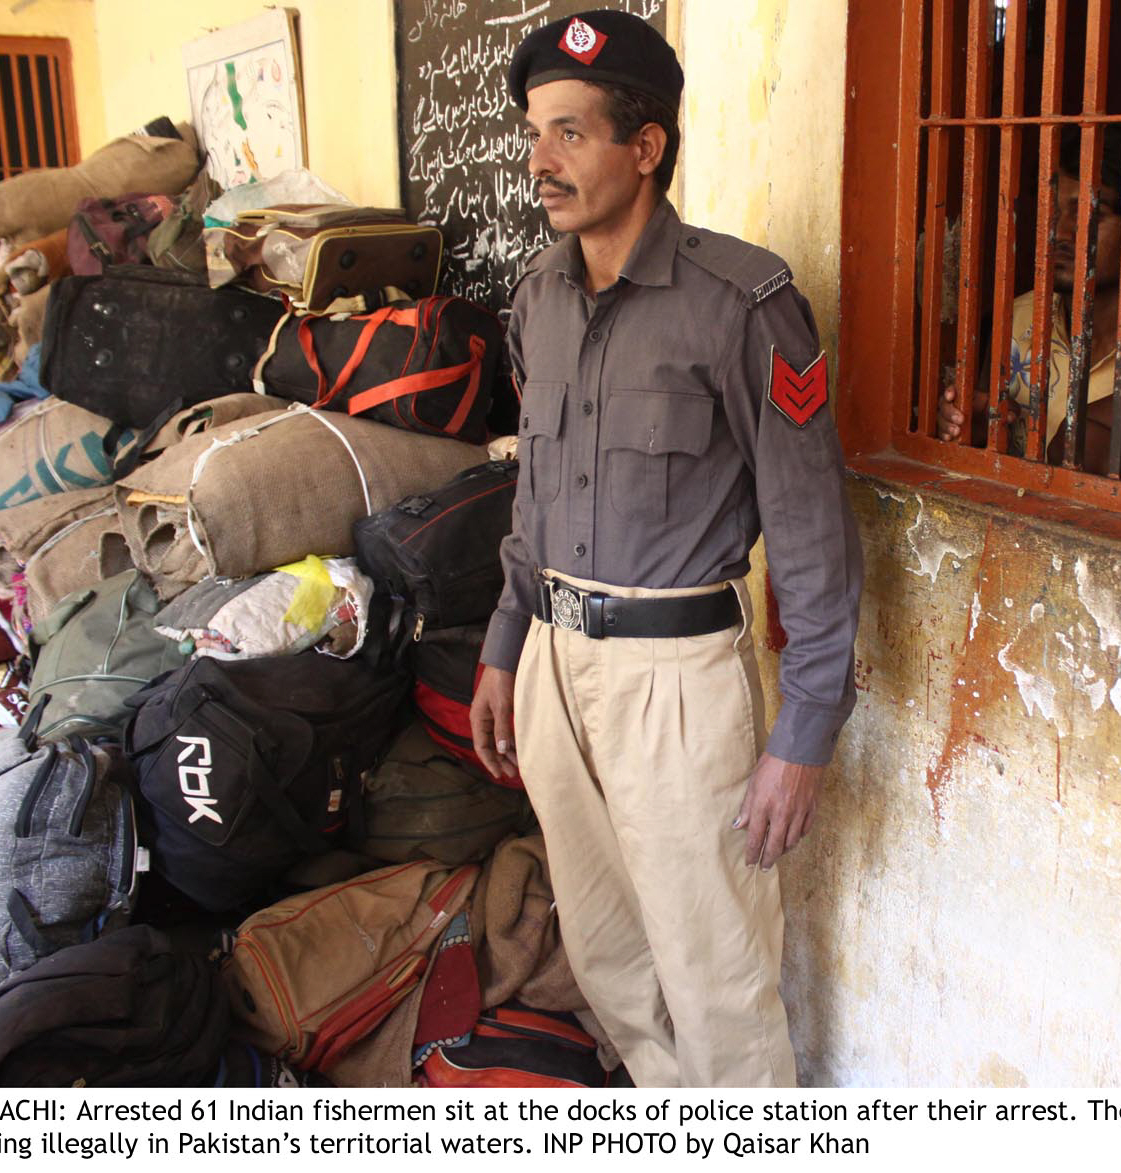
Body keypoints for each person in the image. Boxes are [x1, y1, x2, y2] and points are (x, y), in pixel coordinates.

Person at [466, 10, 862, 1088]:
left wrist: (805, 732)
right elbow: (533, 495)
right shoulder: (537, 299)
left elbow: (813, 530)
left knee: (717, 978)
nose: (540, 163)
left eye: (570, 134)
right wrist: (507, 646)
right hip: (554, 665)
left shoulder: (743, 302)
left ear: (645, 147)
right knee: (608, 959)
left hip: (675, 687)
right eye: (533, 134)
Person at [936, 124, 1121, 454]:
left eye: (1090, 215)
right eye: (1053, 209)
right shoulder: (1013, 320)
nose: (1060, 232)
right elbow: (978, 444)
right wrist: (967, 429)